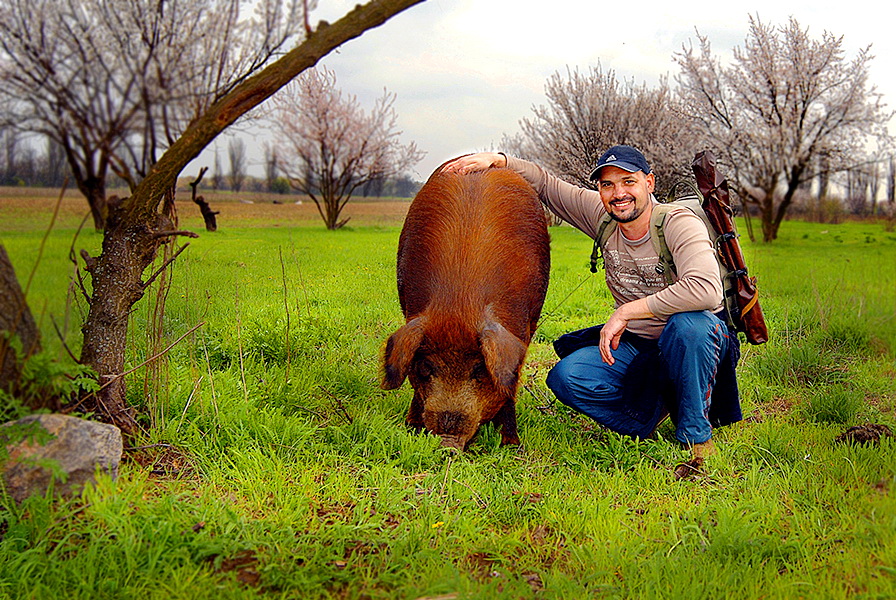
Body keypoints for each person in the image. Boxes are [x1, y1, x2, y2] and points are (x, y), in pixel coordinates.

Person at [442, 146, 741, 475]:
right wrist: (498, 161)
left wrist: (627, 312)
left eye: (628, 182)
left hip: (695, 339)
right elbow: (546, 185)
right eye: (607, 185)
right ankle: (650, 417)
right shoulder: (603, 216)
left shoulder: (677, 223)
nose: (618, 193)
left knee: (688, 327)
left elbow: (706, 288)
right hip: (639, 344)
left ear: (649, 183)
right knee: (566, 378)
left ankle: (695, 436)